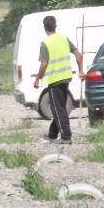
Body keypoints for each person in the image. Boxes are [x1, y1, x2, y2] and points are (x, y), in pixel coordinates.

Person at [34, 15, 83, 144]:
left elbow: (44, 64)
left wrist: (37, 79)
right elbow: (78, 54)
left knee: (57, 109)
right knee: (60, 107)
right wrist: (81, 70)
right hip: (66, 77)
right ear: (55, 26)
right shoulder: (64, 39)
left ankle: (66, 136)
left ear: (45, 28)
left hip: (55, 80)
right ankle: (52, 134)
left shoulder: (45, 43)